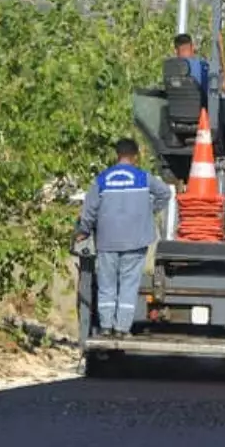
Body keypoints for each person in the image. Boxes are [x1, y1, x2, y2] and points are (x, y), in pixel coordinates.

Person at [77, 138, 172, 339]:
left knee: (106, 285)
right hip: (136, 241)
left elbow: (89, 210)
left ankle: (105, 327)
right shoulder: (143, 178)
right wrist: (149, 212)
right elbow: (165, 193)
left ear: (117, 155)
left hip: (107, 241)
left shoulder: (102, 179)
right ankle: (122, 328)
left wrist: (84, 230)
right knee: (128, 285)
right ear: (135, 156)